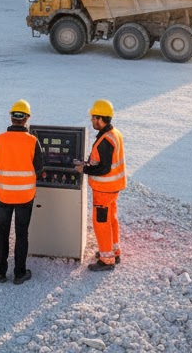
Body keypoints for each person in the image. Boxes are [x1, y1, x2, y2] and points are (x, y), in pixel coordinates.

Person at [0, 99, 44, 284]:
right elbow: (39, 167)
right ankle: (20, 273)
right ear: (27, 118)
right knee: (22, 234)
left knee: (2, 231)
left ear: (12, 117)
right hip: (25, 196)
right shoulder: (32, 141)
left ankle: (0, 271)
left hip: (4, 195)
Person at [76, 98, 125, 271]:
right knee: (111, 219)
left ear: (101, 118)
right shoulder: (114, 134)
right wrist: (88, 164)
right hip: (113, 188)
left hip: (104, 189)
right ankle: (114, 251)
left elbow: (104, 168)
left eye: (93, 118)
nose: (91, 121)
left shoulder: (105, 140)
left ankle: (107, 260)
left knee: (101, 223)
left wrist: (84, 169)